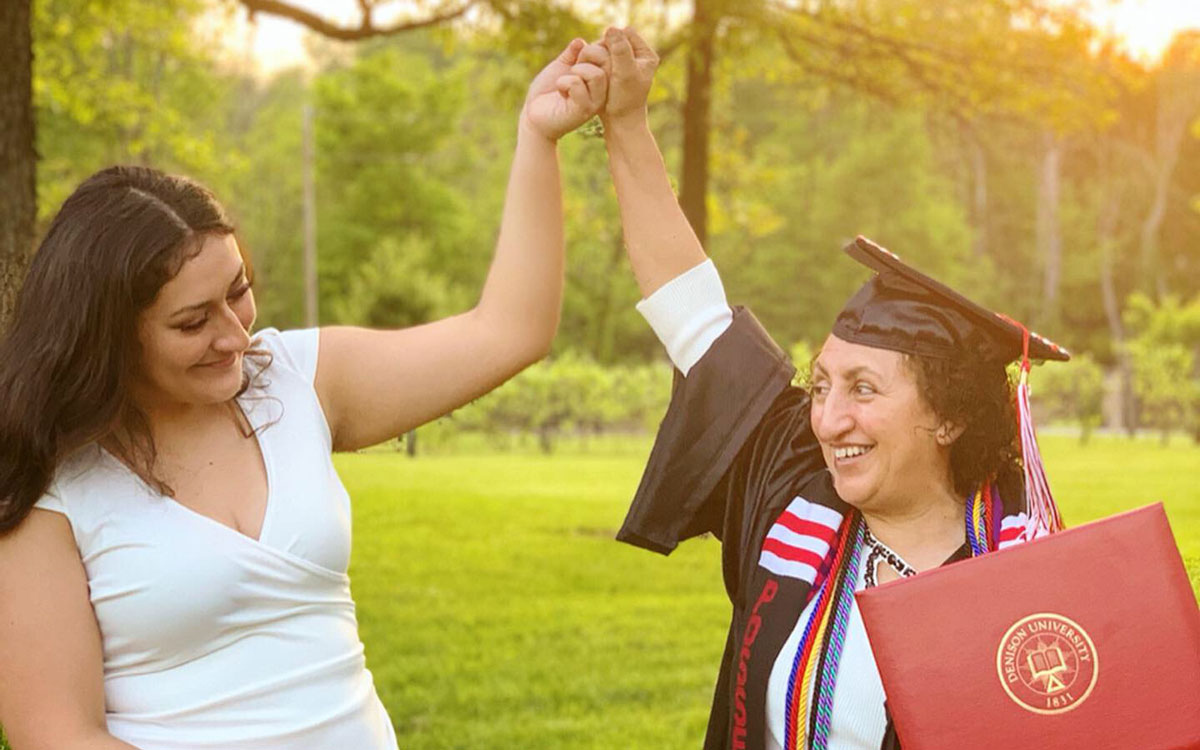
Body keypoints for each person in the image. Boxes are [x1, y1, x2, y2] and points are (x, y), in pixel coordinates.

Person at [0, 39, 609, 750]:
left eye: (239, 293)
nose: (233, 335)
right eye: (193, 322)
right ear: (108, 337)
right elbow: (59, 734)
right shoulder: (48, 478)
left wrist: (536, 137)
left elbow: (510, 331)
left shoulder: (295, 377)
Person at [590, 28, 1069, 750]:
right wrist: (625, 122)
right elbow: (688, 307)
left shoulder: (1024, 573)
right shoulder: (790, 482)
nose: (827, 418)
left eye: (864, 389)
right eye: (821, 385)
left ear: (948, 418)